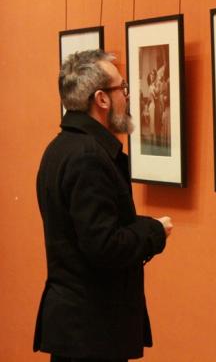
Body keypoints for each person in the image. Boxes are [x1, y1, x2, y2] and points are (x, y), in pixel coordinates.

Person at [34, 49, 173, 362]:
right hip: (92, 330)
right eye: (122, 89)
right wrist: (154, 231)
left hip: (81, 328)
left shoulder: (60, 148)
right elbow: (104, 245)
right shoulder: (87, 157)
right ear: (102, 99)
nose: (128, 97)